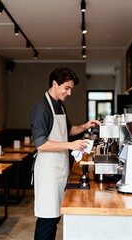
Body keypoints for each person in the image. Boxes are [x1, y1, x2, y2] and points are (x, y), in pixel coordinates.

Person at [30, 66, 100, 240]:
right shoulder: (41, 108)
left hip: (59, 168)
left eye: (71, 89)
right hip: (48, 171)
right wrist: (71, 145)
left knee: (54, 219)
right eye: (66, 88)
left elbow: (67, 130)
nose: (69, 93)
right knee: (47, 220)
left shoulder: (59, 106)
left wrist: (84, 126)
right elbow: (41, 144)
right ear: (55, 83)